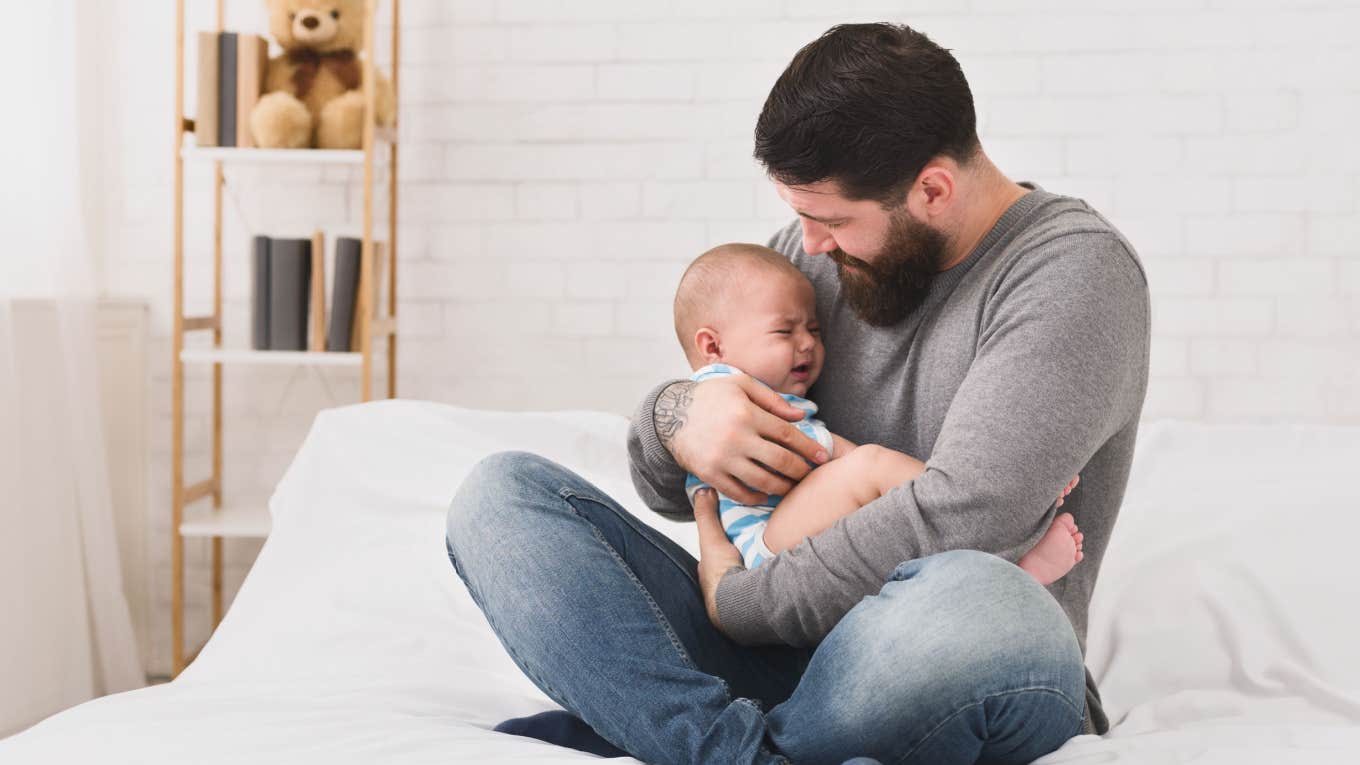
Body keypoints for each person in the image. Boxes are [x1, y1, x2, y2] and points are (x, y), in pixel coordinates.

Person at [445, 21, 1149, 765]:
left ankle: (661, 727)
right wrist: (677, 416)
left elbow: (967, 519)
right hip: (789, 652)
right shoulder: (816, 257)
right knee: (499, 498)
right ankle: (734, 751)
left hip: (954, 653)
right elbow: (671, 486)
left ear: (932, 188)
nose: (808, 243)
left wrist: (741, 602)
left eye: (831, 220)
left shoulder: (1073, 272)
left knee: (977, 598)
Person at [673, 242, 1084, 579]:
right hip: (763, 543)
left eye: (813, 330)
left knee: (889, 524)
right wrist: (899, 479)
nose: (807, 344)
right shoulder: (723, 396)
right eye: (785, 331)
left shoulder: (750, 387)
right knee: (871, 469)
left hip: (776, 535)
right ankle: (1002, 532)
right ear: (712, 347)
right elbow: (828, 453)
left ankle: (991, 558)